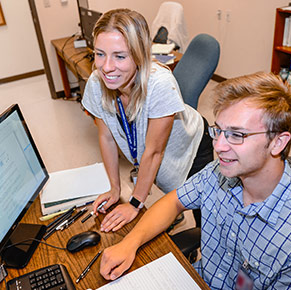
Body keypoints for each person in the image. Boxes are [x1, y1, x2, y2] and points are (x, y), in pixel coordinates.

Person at [99, 72, 291, 290]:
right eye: (219, 130)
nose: (219, 146)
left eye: (236, 135)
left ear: (277, 142)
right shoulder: (221, 171)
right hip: (197, 282)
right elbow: (174, 201)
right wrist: (130, 243)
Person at [81, 8, 213, 233]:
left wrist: (135, 203)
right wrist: (115, 189)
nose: (107, 67)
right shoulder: (96, 82)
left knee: (206, 216)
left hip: (193, 145)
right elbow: (106, 137)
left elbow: (154, 152)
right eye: (100, 53)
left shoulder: (159, 84)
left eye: (120, 56)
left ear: (139, 54)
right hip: (153, 152)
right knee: (167, 198)